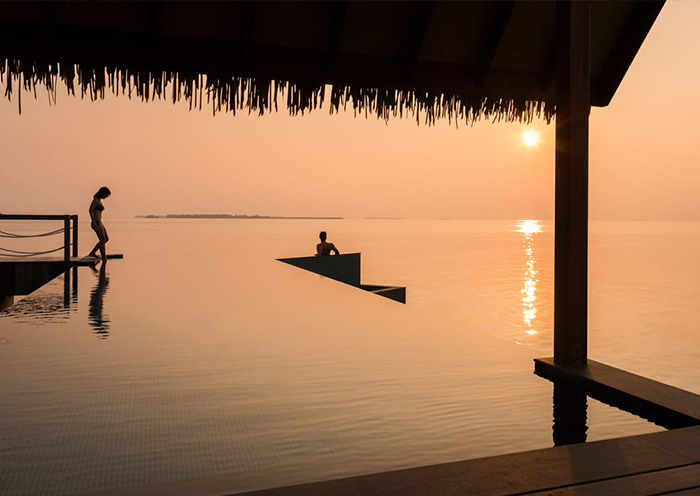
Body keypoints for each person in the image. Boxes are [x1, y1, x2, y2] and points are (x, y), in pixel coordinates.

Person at [87, 186, 111, 261]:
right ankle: (104, 257)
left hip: (100, 222)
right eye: (106, 195)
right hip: (96, 222)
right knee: (102, 240)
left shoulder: (100, 201)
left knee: (106, 239)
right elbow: (90, 210)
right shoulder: (95, 200)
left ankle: (92, 252)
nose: (106, 197)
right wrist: (93, 220)